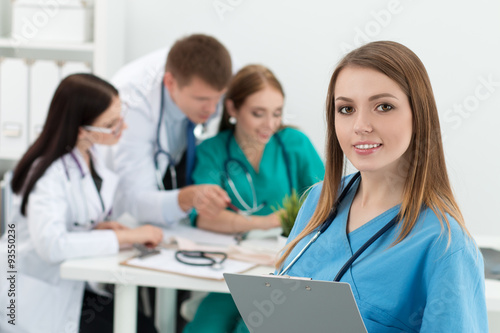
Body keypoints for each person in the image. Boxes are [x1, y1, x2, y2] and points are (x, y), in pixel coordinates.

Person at [274, 41, 487, 332]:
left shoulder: (444, 247)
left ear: (419, 115)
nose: (361, 125)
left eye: (383, 107)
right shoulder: (317, 201)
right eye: (346, 109)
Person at [0, 74, 163, 333]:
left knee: (143, 326)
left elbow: (70, 221)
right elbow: (52, 245)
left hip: (72, 288)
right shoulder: (48, 173)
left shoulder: (87, 156)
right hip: (34, 295)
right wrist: (127, 236)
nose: (123, 128)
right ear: (82, 130)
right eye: (111, 124)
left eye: (120, 118)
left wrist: (96, 229)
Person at [184, 64, 325, 332]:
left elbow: (328, 204)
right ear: (233, 109)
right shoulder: (213, 151)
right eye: (258, 114)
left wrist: (237, 221)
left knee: (249, 328)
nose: (270, 125)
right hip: (231, 268)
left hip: (282, 271)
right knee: (205, 328)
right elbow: (204, 217)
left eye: (276, 114)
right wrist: (267, 222)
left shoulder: (294, 143)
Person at [111, 34, 233, 227]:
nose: (212, 109)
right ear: (170, 83)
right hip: (121, 214)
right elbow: (135, 198)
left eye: (218, 98)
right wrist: (187, 198)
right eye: (202, 100)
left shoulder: (213, 76)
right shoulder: (132, 102)